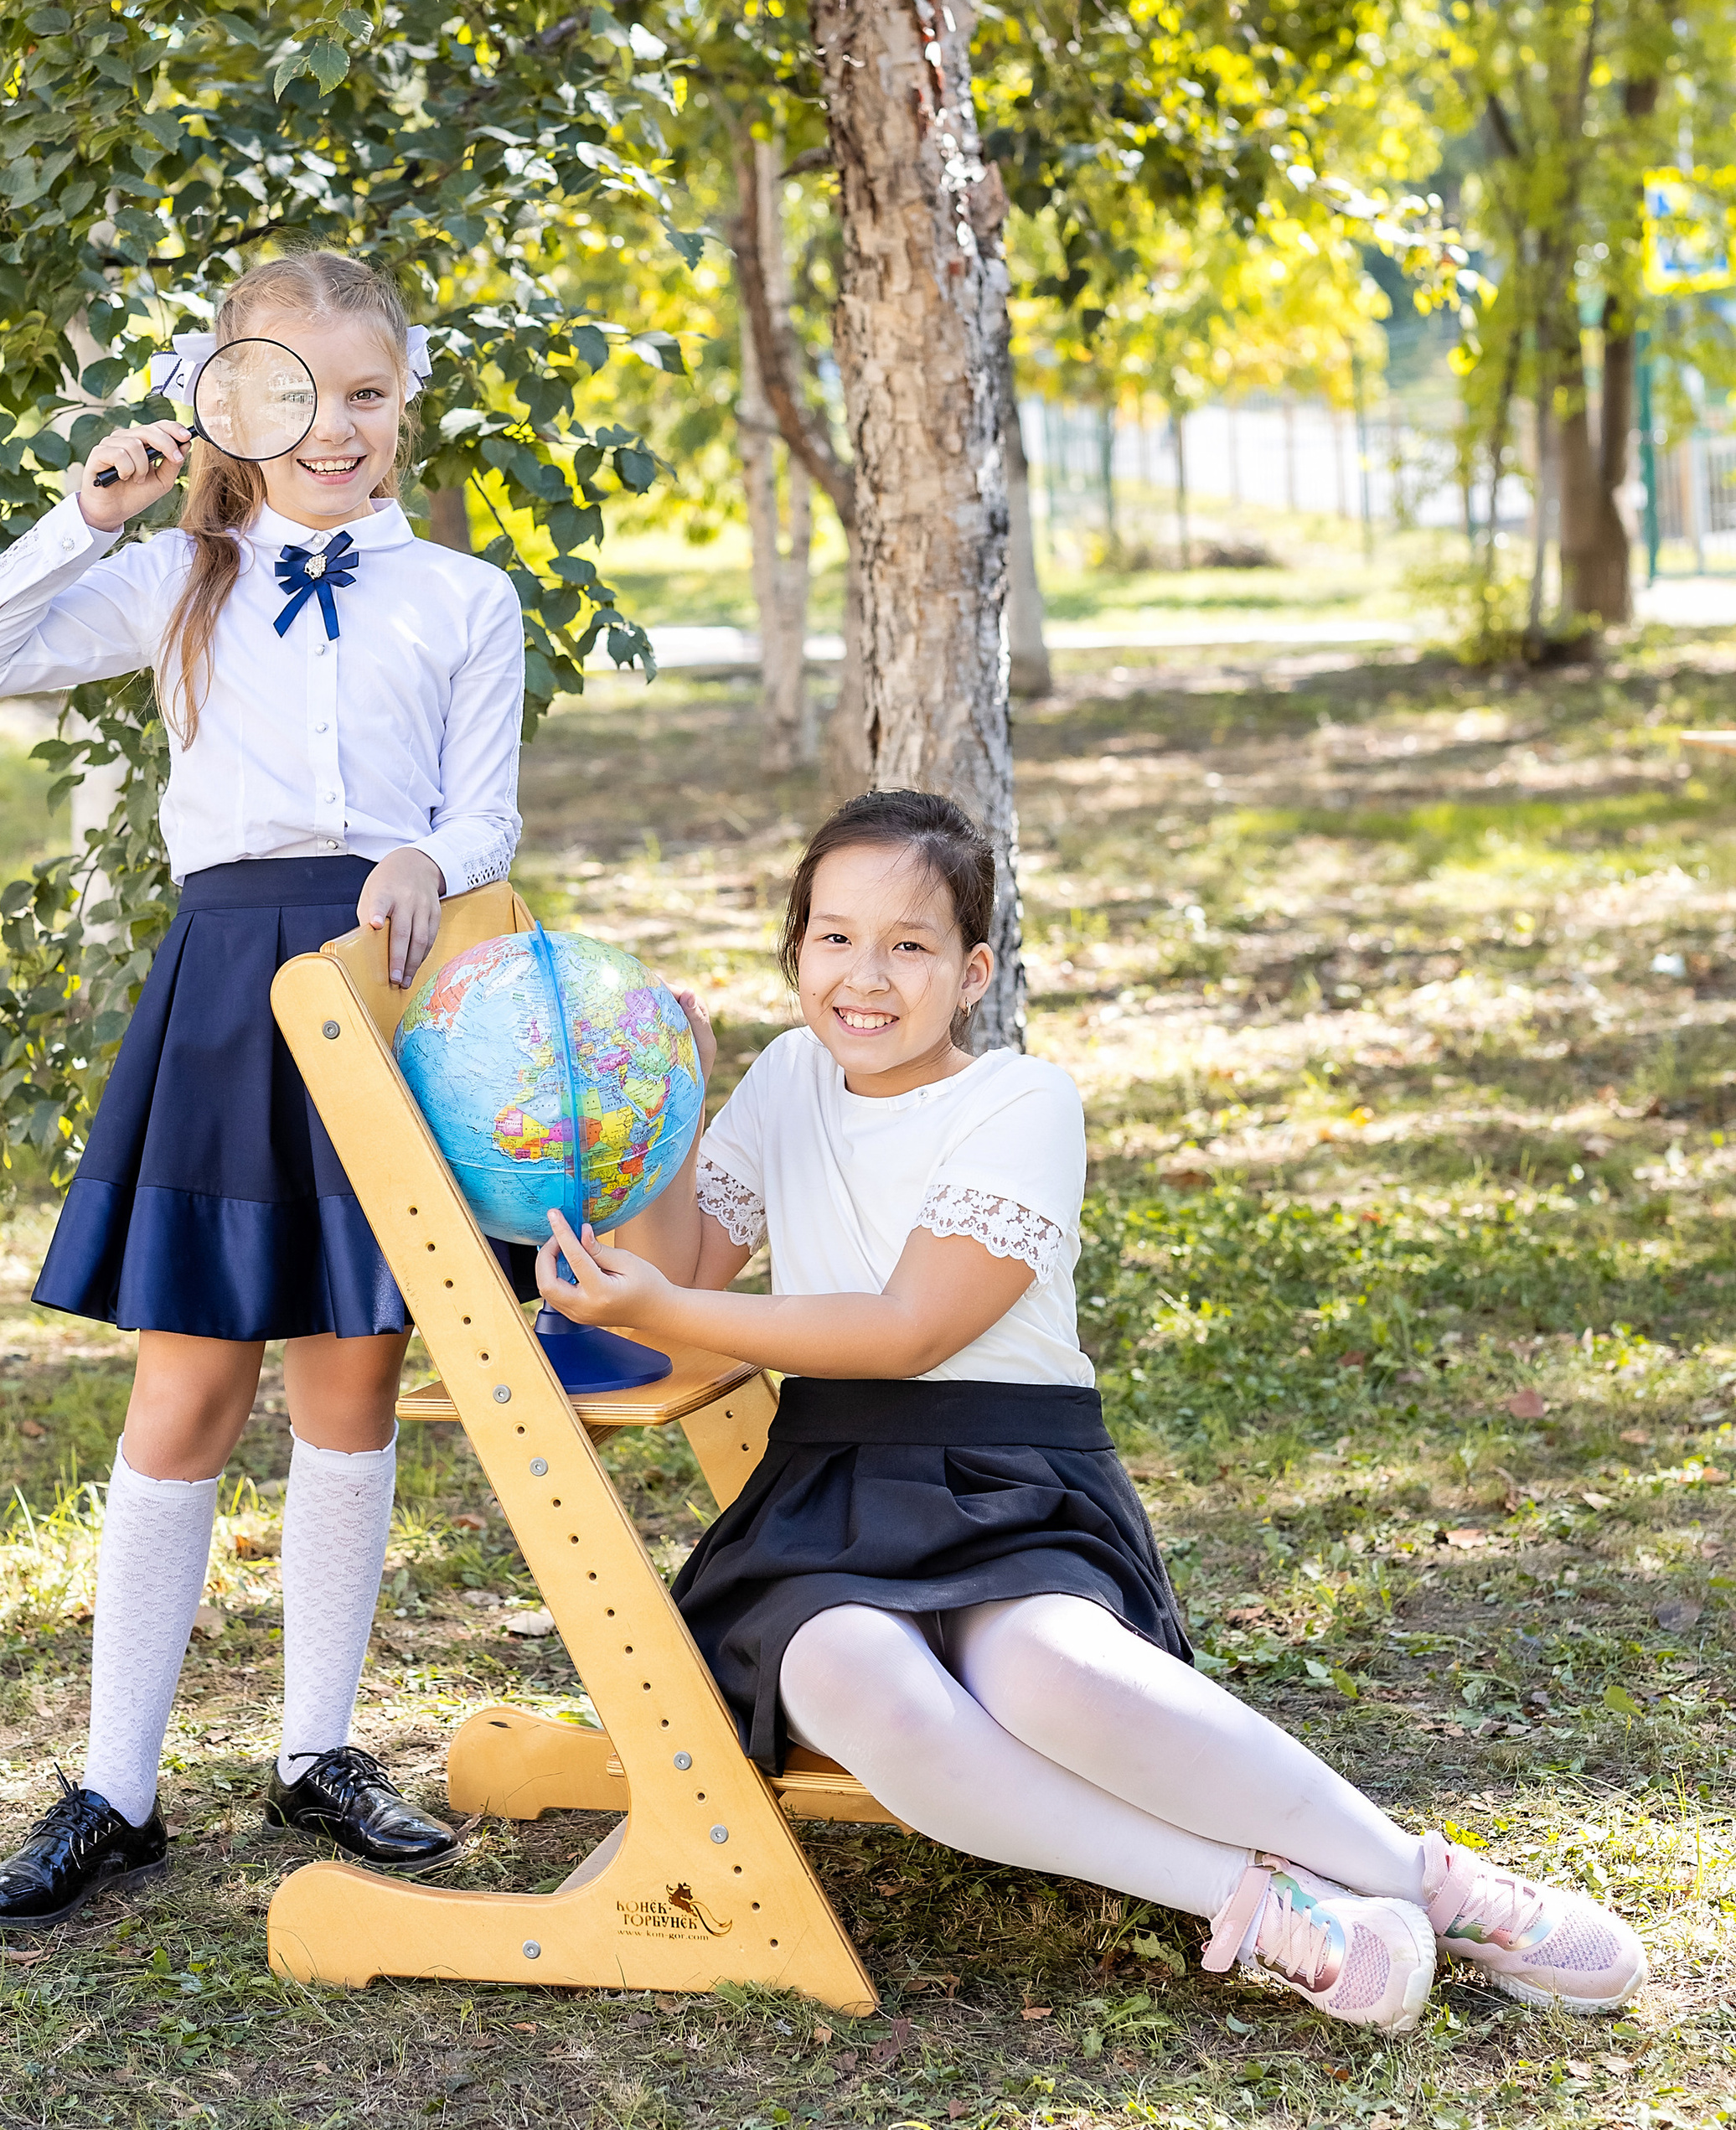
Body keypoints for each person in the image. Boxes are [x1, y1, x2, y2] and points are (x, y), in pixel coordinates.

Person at [537, 788, 1646, 2031]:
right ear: (794, 954)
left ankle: (1428, 1884)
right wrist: (672, 1107)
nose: (866, 975)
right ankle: (1260, 1904)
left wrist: (662, 1313)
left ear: (971, 972)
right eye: (834, 937)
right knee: (855, 1681)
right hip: (829, 1491)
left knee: (1053, 1675)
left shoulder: (1022, 1102)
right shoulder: (790, 1077)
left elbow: (908, 1331)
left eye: (909, 945)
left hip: (1008, 1476)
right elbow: (682, 1269)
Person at [0, 249, 526, 1929]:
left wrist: (423, 853)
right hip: (223, 992)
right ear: (229, 409)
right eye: (294, 396)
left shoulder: (462, 599)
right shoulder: (179, 579)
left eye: (367, 396)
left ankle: (314, 1754)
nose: (334, 430)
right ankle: (116, 1786)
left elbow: (486, 817)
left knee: (351, 1380)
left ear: (405, 401)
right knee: (186, 1389)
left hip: (382, 990)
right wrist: (87, 515)